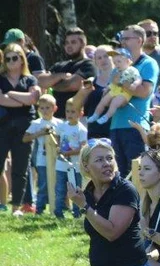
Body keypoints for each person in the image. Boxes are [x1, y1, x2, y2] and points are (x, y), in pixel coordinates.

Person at [108, 26, 158, 177]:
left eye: (126, 39)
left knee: (136, 174)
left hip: (136, 128)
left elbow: (144, 92)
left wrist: (121, 83)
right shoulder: (118, 64)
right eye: (121, 38)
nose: (122, 42)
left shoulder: (148, 63)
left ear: (139, 41)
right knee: (119, 175)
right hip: (116, 125)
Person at [0, 44, 40, 213]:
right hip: (3, 125)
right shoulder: (0, 78)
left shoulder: (30, 79)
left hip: (25, 127)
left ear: (22, 59)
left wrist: (12, 95)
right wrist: (22, 100)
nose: (10, 61)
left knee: (21, 167)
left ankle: (17, 205)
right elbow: (1, 100)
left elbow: (33, 99)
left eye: (14, 57)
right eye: (7, 58)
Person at [33, 27, 95, 115]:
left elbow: (71, 85)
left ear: (83, 44)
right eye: (66, 43)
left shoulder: (89, 64)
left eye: (73, 42)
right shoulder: (59, 65)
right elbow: (40, 81)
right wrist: (61, 76)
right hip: (56, 118)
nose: (69, 46)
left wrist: (52, 83)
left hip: (78, 119)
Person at [86, 48, 141, 126]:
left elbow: (139, 78)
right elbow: (112, 83)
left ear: (128, 61)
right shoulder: (116, 71)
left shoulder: (132, 70)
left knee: (114, 103)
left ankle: (106, 116)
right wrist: (107, 88)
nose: (117, 64)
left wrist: (135, 84)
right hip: (114, 89)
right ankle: (96, 114)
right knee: (103, 101)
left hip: (124, 93)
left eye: (119, 62)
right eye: (115, 62)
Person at [55, 99, 88, 217]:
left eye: (73, 112)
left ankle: (77, 212)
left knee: (76, 188)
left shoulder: (81, 129)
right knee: (60, 189)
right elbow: (57, 137)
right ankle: (58, 212)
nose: (69, 114)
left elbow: (83, 147)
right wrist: (58, 147)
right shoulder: (62, 126)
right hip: (61, 164)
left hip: (75, 166)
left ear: (81, 113)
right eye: (67, 111)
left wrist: (69, 152)